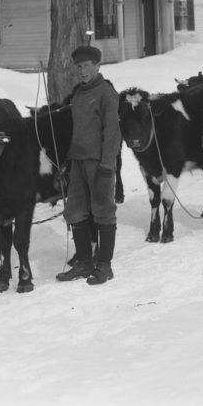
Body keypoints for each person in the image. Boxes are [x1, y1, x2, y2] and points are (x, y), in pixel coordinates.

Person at [56, 44, 122, 285]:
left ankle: (104, 265)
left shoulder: (106, 93)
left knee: (103, 211)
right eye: (79, 67)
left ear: (97, 66)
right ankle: (84, 262)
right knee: (75, 211)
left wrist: (107, 166)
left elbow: (112, 132)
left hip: (99, 163)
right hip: (78, 162)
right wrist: (67, 161)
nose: (82, 71)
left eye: (86, 66)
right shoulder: (79, 94)